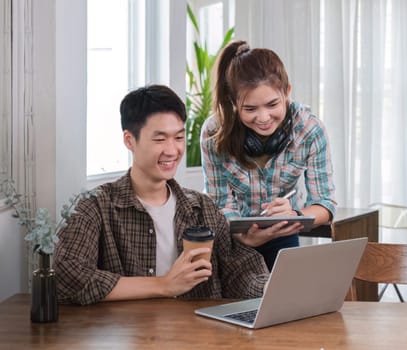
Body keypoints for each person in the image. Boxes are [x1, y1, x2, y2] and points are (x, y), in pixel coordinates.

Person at [53, 84, 269, 305]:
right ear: (129, 140)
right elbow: (68, 275)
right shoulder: (95, 207)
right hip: (127, 335)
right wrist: (164, 285)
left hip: (198, 334)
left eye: (178, 137)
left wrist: (270, 287)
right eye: (160, 139)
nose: (172, 150)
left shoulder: (203, 208)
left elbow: (238, 271)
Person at [201, 40, 337, 270]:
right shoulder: (214, 132)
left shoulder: (310, 130)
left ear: (287, 92)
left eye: (272, 104)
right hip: (233, 236)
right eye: (250, 109)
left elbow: (325, 204)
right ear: (234, 103)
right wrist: (244, 237)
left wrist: (294, 214)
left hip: (282, 234)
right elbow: (220, 203)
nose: (263, 118)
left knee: (288, 302)